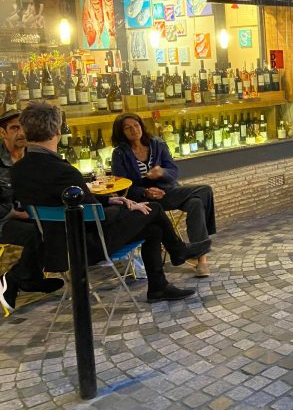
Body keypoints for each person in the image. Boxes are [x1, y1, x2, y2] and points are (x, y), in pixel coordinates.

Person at [10, 102, 210, 303]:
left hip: (54, 244)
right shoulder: (64, 171)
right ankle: (179, 251)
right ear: (56, 130)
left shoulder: (19, 170)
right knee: (153, 209)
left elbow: (73, 202)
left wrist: (112, 198)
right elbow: (98, 217)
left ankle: (159, 286)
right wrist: (124, 206)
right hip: (86, 246)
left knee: (153, 227)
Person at [111, 113, 216, 277]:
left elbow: (173, 172)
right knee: (203, 193)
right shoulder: (120, 153)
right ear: (121, 132)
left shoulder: (157, 144)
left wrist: (161, 172)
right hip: (144, 199)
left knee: (199, 198)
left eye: (136, 125)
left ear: (141, 126)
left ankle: (201, 259)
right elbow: (121, 185)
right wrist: (145, 191)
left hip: (167, 191)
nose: (133, 130)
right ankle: (196, 251)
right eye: (127, 128)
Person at [0, 109, 64, 316]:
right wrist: (19, 213)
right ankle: (14, 278)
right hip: (4, 220)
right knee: (38, 231)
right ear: (3, 133)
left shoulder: (34, 156)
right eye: (14, 128)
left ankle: (29, 279)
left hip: (31, 215)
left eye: (23, 127)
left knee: (55, 226)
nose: (21, 133)